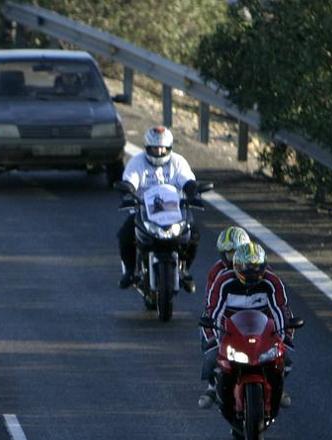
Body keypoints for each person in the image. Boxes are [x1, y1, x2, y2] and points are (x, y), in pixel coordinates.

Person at [198, 242, 295, 407]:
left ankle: (278, 387)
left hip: (262, 331)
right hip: (230, 332)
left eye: (256, 270)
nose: (251, 275)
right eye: (246, 270)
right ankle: (213, 387)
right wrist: (213, 339)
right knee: (211, 358)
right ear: (236, 267)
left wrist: (284, 338)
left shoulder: (272, 282)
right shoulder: (223, 282)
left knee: (285, 359)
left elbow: (282, 310)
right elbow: (212, 311)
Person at [117, 126, 201, 292]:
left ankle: (185, 270)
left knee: (194, 234)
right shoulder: (137, 162)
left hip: (174, 212)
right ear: (147, 148)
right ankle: (129, 271)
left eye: (163, 147)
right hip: (143, 211)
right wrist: (127, 189)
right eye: (155, 148)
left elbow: (188, 180)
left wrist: (192, 190)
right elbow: (130, 181)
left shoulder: (178, 162)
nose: (159, 151)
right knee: (125, 235)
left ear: (169, 147)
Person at [204, 225, 251, 298]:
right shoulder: (216, 271)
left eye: (234, 253)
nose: (232, 259)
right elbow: (209, 299)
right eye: (228, 254)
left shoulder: (260, 267)